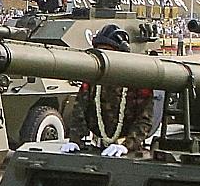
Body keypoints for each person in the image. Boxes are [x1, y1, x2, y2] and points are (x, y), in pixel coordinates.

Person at [59, 24, 154, 156]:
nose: (102, 56)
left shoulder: (136, 81)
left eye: (107, 51)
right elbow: (79, 111)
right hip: (96, 148)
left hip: (127, 151)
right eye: (99, 50)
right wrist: (75, 140)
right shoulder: (93, 80)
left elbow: (144, 120)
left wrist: (126, 145)